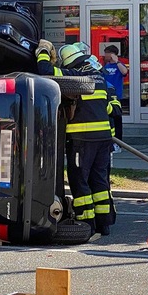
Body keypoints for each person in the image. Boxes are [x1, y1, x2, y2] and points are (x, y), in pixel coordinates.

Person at [36, 39, 116, 236]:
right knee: (99, 181)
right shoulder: (99, 78)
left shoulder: (74, 76)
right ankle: (103, 223)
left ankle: (86, 222)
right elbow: (107, 108)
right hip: (103, 140)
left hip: (82, 140)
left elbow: (45, 71)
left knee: (80, 180)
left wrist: (43, 51)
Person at [102, 45, 127, 153]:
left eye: (106, 53)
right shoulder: (105, 66)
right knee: (109, 121)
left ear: (111, 54)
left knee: (117, 121)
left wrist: (117, 62)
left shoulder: (119, 65)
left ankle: (118, 144)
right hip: (106, 95)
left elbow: (124, 72)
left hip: (116, 96)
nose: (104, 55)